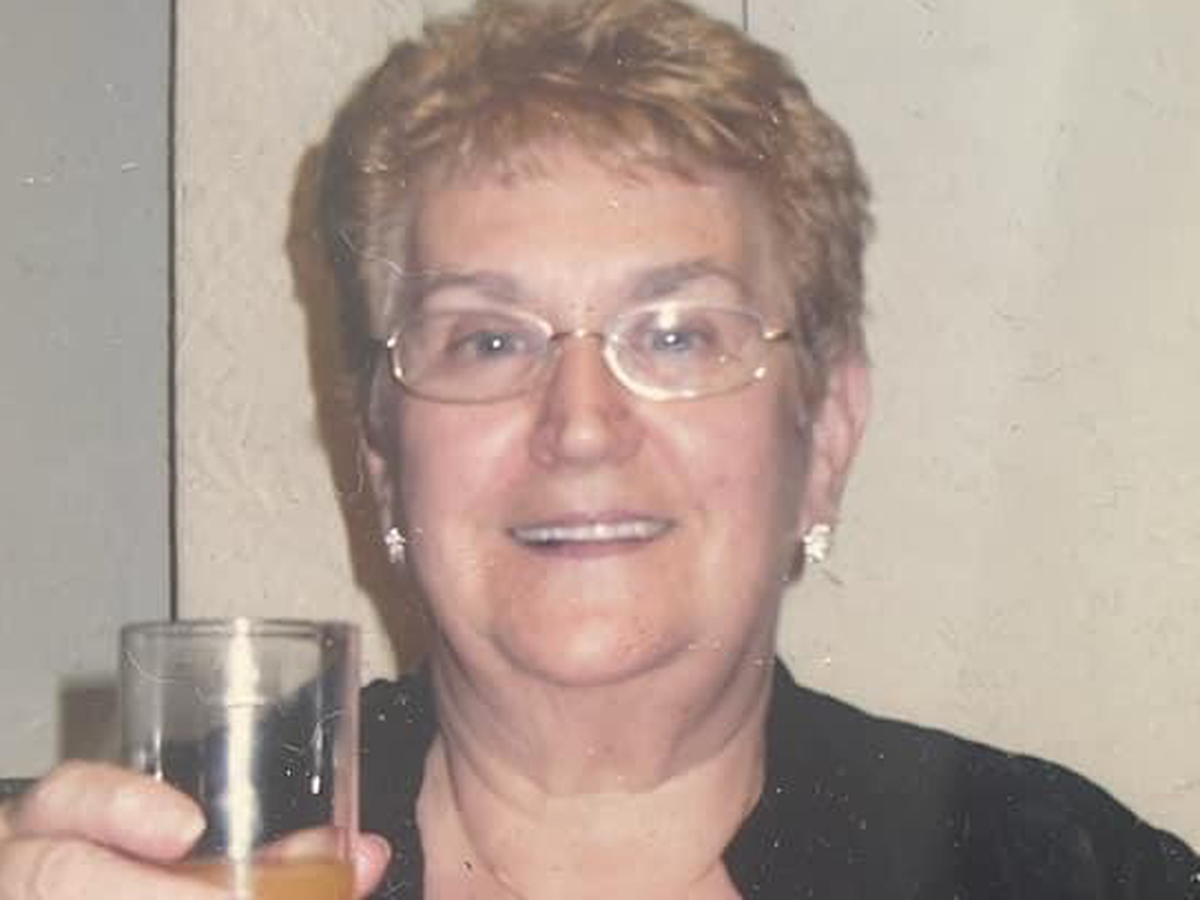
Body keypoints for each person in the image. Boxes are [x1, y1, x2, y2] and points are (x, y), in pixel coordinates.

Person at [0, 0, 1196, 897]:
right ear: (382, 456)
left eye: (676, 335)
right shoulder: (183, 852)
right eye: (486, 340)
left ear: (824, 439)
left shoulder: (1059, 869)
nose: (578, 422)